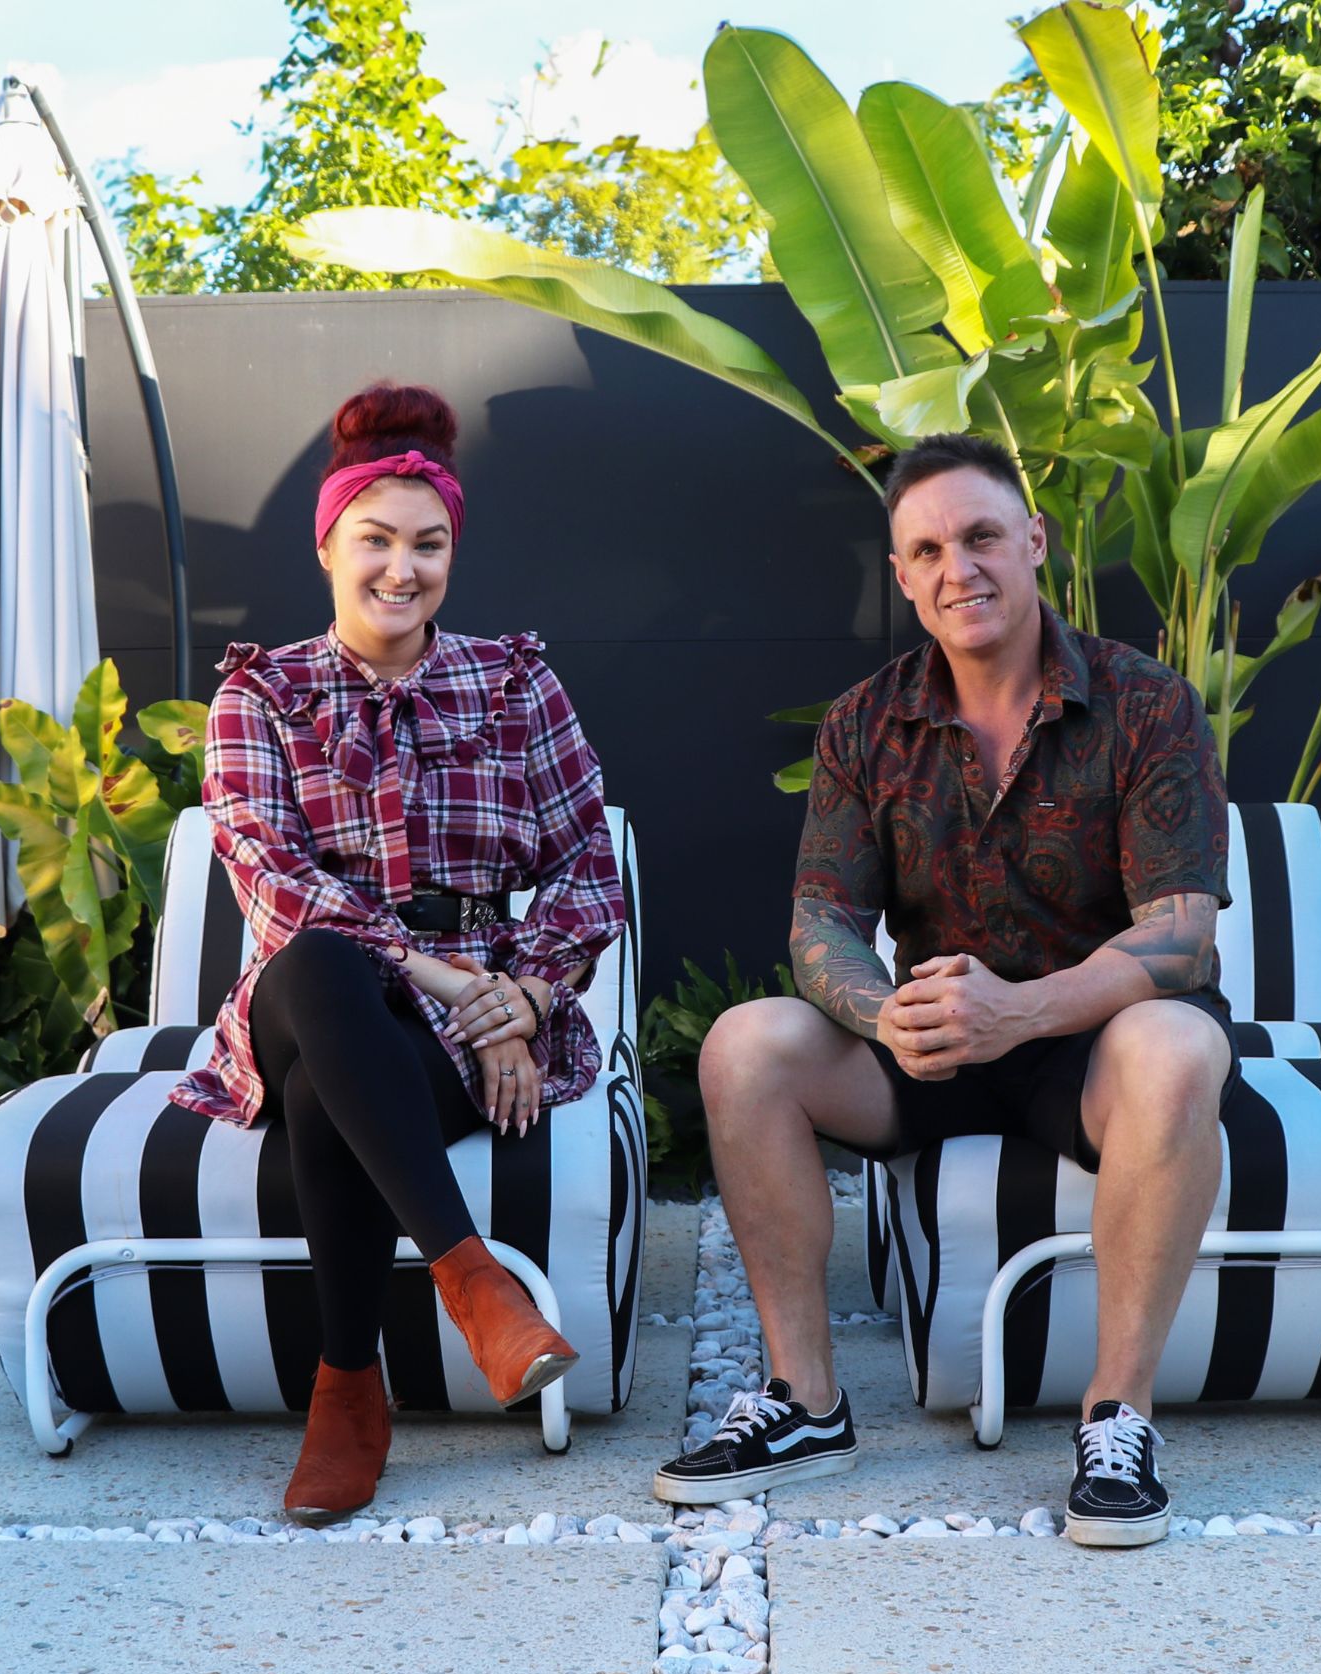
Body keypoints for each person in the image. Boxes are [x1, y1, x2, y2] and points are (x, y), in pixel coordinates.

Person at [652, 432, 1236, 1547]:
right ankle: (805, 1401)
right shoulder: (863, 722)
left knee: (1174, 1045)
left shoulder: (1146, 702)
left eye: (978, 536)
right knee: (745, 1044)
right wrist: (886, 1016)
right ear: (903, 572)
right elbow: (820, 918)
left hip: (1094, 1044)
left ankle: (1117, 1420)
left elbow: (1180, 936)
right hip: (929, 1047)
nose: (955, 568)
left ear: (1033, 541)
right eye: (924, 550)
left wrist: (1022, 1008)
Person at [168, 381, 626, 1524]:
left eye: (428, 544)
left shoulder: (516, 683)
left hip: (466, 1022)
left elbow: (587, 866)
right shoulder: (260, 693)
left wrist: (521, 995)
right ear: (328, 543)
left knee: (337, 1090)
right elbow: (269, 875)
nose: (402, 568)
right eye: (374, 540)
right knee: (324, 974)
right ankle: (473, 1283)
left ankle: (346, 1394)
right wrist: (445, 978)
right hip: (313, 991)